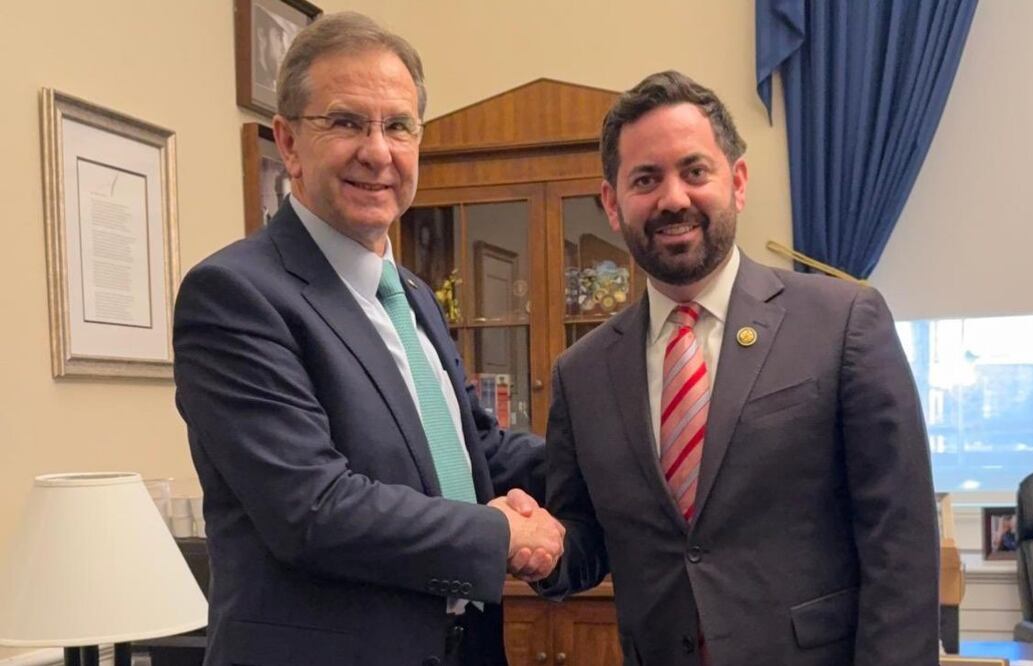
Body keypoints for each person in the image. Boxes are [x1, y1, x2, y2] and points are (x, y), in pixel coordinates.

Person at [173, 13, 562, 666]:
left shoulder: (410, 294)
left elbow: (474, 450)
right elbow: (313, 508)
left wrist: (614, 464)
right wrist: (501, 532)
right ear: (289, 143)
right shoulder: (235, 295)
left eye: (398, 126)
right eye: (348, 122)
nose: (378, 152)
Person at [537, 71, 939, 665]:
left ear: (738, 181)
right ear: (612, 204)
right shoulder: (582, 373)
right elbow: (588, 537)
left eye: (694, 171)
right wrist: (535, 548)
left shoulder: (843, 321)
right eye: (645, 179)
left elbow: (900, 544)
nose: (673, 198)